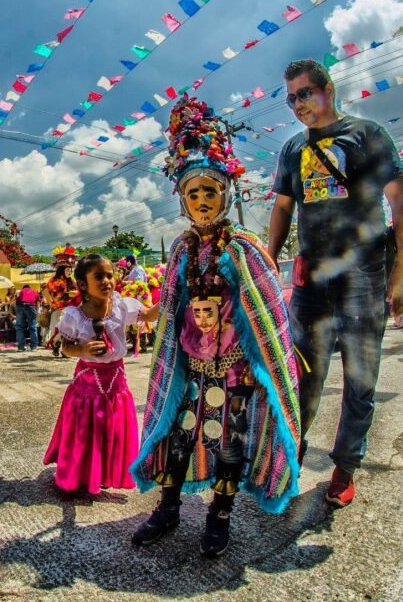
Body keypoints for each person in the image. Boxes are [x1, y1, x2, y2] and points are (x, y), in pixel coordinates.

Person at [131, 96, 301, 558]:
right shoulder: (181, 250)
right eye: (193, 193)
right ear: (183, 201)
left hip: (234, 370)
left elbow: (267, 316)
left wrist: (252, 365)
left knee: (230, 445)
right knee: (178, 438)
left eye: (210, 191)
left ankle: (219, 516)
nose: (202, 200)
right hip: (191, 366)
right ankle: (167, 510)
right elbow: (168, 312)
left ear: (226, 194)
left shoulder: (244, 247)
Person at [266, 59, 403, 508]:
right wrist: (268, 259)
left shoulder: (368, 136)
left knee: (360, 377)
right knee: (301, 377)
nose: (298, 104)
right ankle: (291, 457)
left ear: (328, 89)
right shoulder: (292, 149)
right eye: (291, 98)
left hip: (365, 278)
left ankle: (345, 467)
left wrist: (402, 270)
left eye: (304, 93)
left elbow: (401, 207)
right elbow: (283, 209)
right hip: (311, 282)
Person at [44, 254, 159, 495]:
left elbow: (148, 315)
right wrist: (83, 349)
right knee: (86, 433)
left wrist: (172, 294)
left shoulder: (121, 306)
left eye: (110, 275)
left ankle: (104, 475)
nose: (108, 281)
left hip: (116, 382)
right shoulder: (73, 315)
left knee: (112, 431)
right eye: (99, 277)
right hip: (87, 383)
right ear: (83, 285)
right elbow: (65, 347)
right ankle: (77, 478)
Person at [44, 246, 78, 356]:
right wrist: (50, 302)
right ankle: (55, 345)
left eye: (71, 270)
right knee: (57, 330)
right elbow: (45, 291)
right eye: (68, 270)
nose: (70, 272)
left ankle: (65, 350)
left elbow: (77, 293)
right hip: (57, 309)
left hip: (69, 310)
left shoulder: (72, 281)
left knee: (69, 330)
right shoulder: (53, 280)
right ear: (62, 270)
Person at [14, 284, 40, 351]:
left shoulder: (20, 291)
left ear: (23, 288)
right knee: (32, 327)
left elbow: (16, 300)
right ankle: (34, 346)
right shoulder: (34, 291)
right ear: (30, 287)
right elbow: (38, 302)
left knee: (20, 327)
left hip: (20, 306)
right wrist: (37, 311)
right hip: (31, 307)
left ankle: (21, 347)